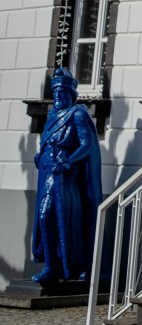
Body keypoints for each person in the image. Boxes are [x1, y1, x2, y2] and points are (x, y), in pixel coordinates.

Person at [32, 67, 101, 284]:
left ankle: (65, 266)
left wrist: (69, 161)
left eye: (62, 93)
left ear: (71, 95)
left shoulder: (78, 114)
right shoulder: (52, 116)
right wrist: (39, 154)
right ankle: (52, 266)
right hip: (46, 172)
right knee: (45, 219)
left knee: (56, 218)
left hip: (64, 177)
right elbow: (46, 141)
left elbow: (87, 145)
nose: (58, 97)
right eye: (55, 93)